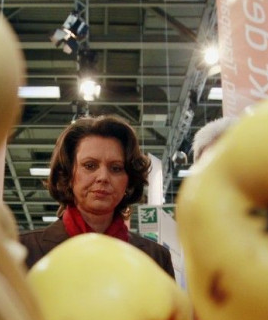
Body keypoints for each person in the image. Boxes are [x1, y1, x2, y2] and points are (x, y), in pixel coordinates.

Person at [19, 114, 175, 278]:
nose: (103, 177)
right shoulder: (24, 251)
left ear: (128, 180)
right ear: (68, 174)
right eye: (90, 165)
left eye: (116, 168)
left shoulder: (156, 258)